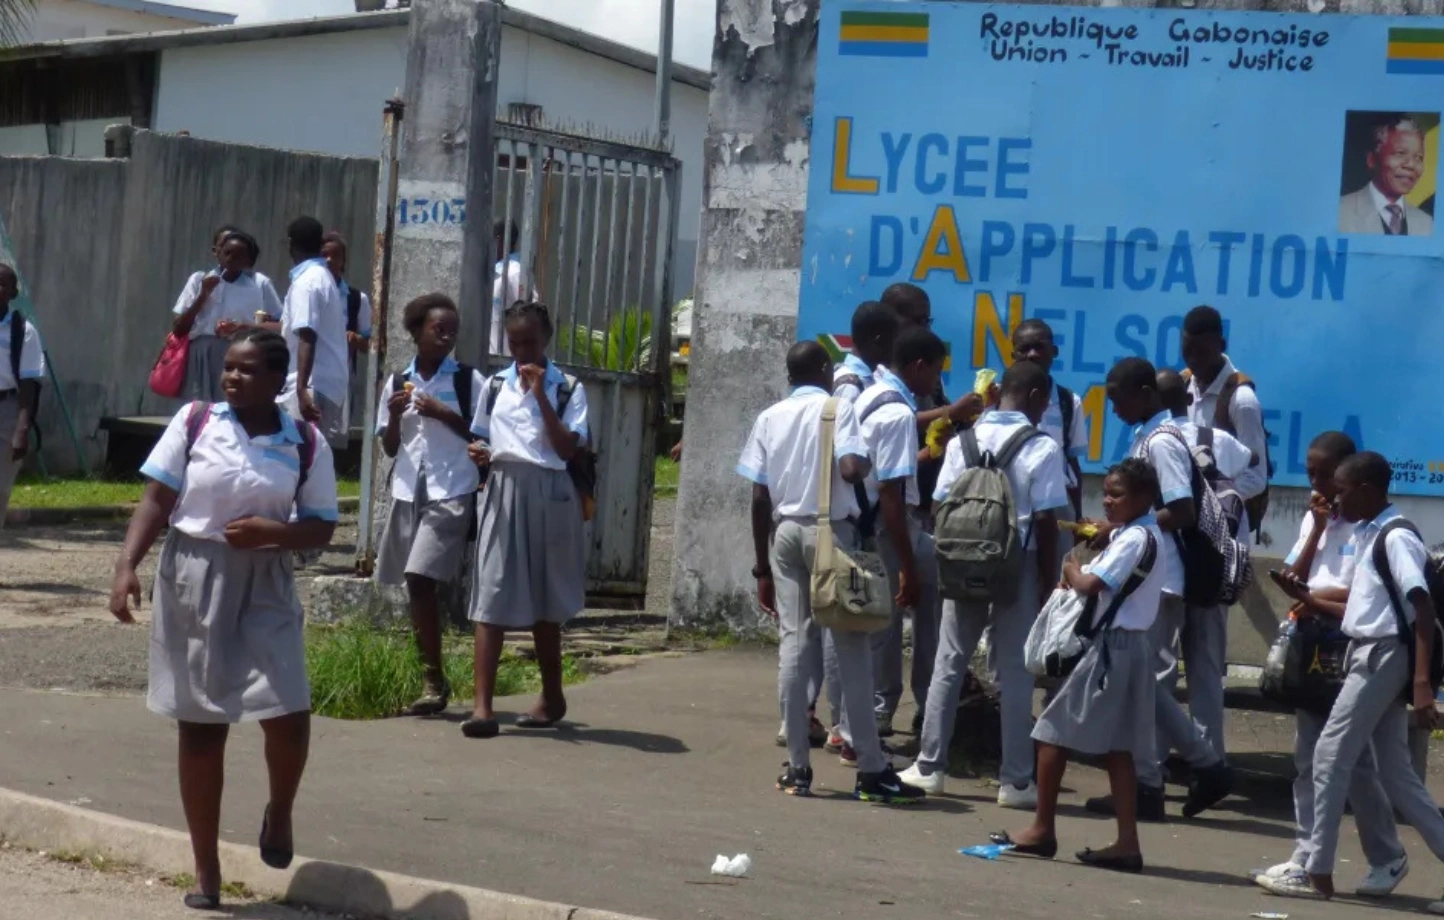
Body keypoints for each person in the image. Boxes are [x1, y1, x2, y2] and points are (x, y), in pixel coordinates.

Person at [107, 328, 338, 911]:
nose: (232, 378)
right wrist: (126, 566)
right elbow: (156, 500)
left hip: (266, 581)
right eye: (228, 368)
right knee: (202, 726)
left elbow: (321, 525)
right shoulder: (194, 421)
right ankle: (206, 870)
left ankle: (279, 811)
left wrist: (274, 534)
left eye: (247, 370)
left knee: (289, 710)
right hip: (194, 576)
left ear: (277, 380)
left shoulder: (304, 440)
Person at [737, 340, 923, 804]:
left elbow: (759, 498)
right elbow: (851, 467)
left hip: (784, 535)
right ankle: (872, 770)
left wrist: (761, 566)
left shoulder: (769, 417)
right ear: (823, 370)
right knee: (852, 648)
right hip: (831, 535)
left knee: (794, 646)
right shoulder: (840, 409)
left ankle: (798, 767)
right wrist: (863, 462)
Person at [1274, 451, 1444, 904]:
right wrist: (1309, 601)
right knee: (1396, 773)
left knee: (1330, 755)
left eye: (1343, 490)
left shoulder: (1395, 536)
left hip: (1384, 656)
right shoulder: (1370, 533)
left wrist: (1424, 684)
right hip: (1368, 650)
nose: (1335, 498)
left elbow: (1421, 609)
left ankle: (1316, 871)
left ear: (1366, 490)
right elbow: (1364, 611)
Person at [899, 359, 1067, 808]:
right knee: (1015, 671)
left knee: (948, 662)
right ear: (1034, 398)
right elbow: (1048, 522)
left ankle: (930, 766)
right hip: (1019, 565)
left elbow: (938, 506)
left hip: (962, 562)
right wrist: (1050, 583)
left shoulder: (962, 441)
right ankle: (1015, 782)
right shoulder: (1043, 447)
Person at [987, 459, 1166, 873]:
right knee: (1118, 749)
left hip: (1111, 649)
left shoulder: (1133, 539)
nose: (1107, 501)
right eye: (1105, 492)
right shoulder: (1143, 534)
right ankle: (1127, 842)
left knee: (1051, 733)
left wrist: (1070, 566)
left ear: (1144, 499)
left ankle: (1042, 829)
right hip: (1132, 647)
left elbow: (1090, 584)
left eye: (1117, 495)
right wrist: (1107, 531)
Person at [1253, 433, 1410, 900]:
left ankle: (1383, 854)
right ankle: (1307, 856)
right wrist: (1318, 529)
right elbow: (1293, 573)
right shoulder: (1319, 518)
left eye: (1327, 475)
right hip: (1311, 639)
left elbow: (1362, 591)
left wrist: (1313, 599)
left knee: (1352, 760)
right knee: (1311, 755)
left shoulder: (1371, 527)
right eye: (1312, 473)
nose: (1319, 484)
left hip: (1350, 639)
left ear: (1350, 477)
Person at [1086, 357, 1233, 822]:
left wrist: (1120, 531)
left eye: (1118, 398)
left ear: (1146, 392)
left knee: (1145, 685)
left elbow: (1183, 510)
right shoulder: (1147, 436)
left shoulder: (1163, 442)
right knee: (1142, 686)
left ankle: (1155, 781)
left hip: (1162, 580)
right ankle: (1183, 771)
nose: (1114, 409)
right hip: (1152, 574)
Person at [463, 301, 587, 739]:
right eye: (514, 343)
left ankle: (552, 695)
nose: (522, 352)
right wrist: (479, 452)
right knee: (491, 594)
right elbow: (480, 435)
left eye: (530, 342)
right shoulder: (495, 384)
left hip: (550, 492)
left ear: (547, 338)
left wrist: (540, 397)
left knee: (546, 600)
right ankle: (482, 709)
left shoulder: (567, 387)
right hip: (502, 487)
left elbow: (568, 449)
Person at [375, 293, 483, 717]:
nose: (447, 336)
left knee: (420, 576)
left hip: (451, 488)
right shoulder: (398, 379)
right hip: (407, 486)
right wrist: (396, 416)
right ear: (417, 330)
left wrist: (442, 413)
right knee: (412, 582)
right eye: (439, 328)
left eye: (452, 330)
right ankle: (429, 676)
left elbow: (480, 434)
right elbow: (388, 447)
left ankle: (433, 680)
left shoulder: (467, 381)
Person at [1178, 306, 1268, 764]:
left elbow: (1258, 475)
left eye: (1197, 348)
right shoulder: (1184, 385)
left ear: (1218, 342)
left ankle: (1209, 758)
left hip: (1221, 538)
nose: (1189, 357)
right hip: (1184, 533)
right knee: (1168, 655)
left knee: (1207, 655)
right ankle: (1179, 748)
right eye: (1184, 347)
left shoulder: (1240, 398)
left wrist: (1210, 495)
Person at [813, 300, 901, 760]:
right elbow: (848, 461)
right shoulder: (850, 387)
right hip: (852, 517)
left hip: (855, 516)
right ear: (882, 341)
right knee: (848, 624)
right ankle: (842, 725)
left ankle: (844, 724)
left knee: (850, 624)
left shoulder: (865, 382)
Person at [855, 326, 948, 739]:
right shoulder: (895, 412)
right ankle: (889, 711)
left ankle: (908, 706)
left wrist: (930, 452)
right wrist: (909, 565)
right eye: (936, 373)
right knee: (895, 616)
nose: (936, 384)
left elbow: (887, 467)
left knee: (895, 616)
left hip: (882, 525)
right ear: (918, 366)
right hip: (889, 528)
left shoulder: (873, 395)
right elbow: (890, 492)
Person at [172, 230, 282, 403]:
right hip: (202, 354)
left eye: (239, 256)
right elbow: (179, 329)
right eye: (227, 253)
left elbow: (277, 322)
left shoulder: (255, 286)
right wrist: (203, 295)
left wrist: (242, 326)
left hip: (237, 352)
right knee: (197, 408)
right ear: (218, 253)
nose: (231, 259)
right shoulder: (200, 279)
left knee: (230, 405)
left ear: (248, 260)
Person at [278, 216, 350, 450]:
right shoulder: (323, 277)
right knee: (313, 458)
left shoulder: (307, 282)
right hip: (327, 383)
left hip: (312, 384)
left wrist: (300, 388)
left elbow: (307, 334)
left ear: (290, 243)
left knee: (300, 458)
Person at [1338, 114, 1434, 236]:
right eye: (1400, 153)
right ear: (1372, 159)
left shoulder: (1427, 223)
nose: (1411, 165)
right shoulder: (1341, 212)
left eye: (1419, 157)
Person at [0, 264, 42, 526]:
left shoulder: (23, 331)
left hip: (7, 411)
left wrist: (22, 429)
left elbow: (30, 383)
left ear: (13, 292)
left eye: (3, 284)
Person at [321, 231, 372, 367]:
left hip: (341, 378)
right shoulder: (308, 292)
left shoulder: (357, 299)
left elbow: (371, 345)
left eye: (336, 256)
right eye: (324, 255)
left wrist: (356, 339)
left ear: (343, 262)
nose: (329, 260)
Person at [489, 220, 537, 359]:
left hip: (505, 359)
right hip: (489, 357)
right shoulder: (492, 270)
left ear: (500, 240)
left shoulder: (514, 272)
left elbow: (531, 314)